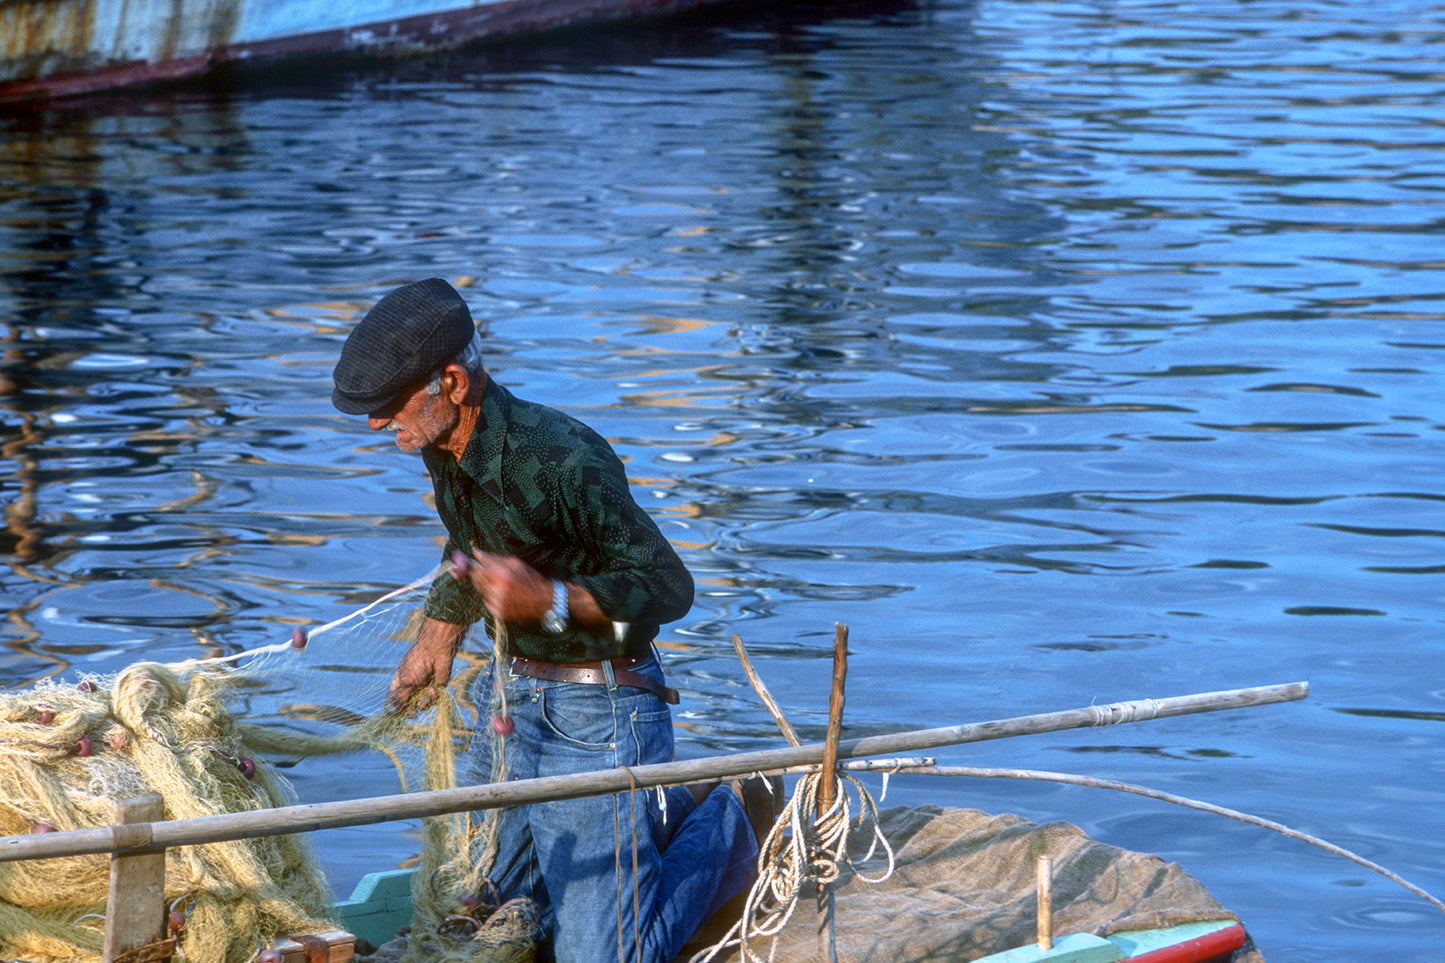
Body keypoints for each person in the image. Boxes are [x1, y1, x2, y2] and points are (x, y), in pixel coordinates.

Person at [331, 278, 769, 963]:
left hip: (602, 710)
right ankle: (646, 826)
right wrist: (435, 638)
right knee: (489, 924)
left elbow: (668, 587)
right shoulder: (440, 446)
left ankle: (727, 824)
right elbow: (468, 546)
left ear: (450, 381)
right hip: (510, 700)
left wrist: (553, 601)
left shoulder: (566, 456)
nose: (376, 424)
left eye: (388, 406)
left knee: (603, 955)